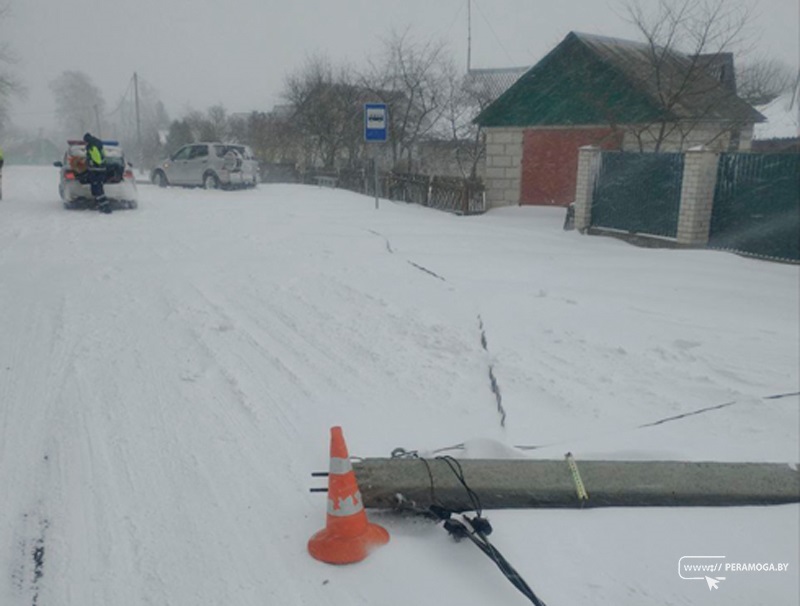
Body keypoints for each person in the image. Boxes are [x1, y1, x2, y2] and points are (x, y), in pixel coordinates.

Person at [83, 132, 111, 213]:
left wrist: (90, 162)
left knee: (98, 189)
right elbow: (103, 157)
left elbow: (97, 159)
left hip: (96, 171)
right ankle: (101, 205)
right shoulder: (99, 144)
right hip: (102, 171)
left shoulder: (92, 146)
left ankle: (105, 207)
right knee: (98, 189)